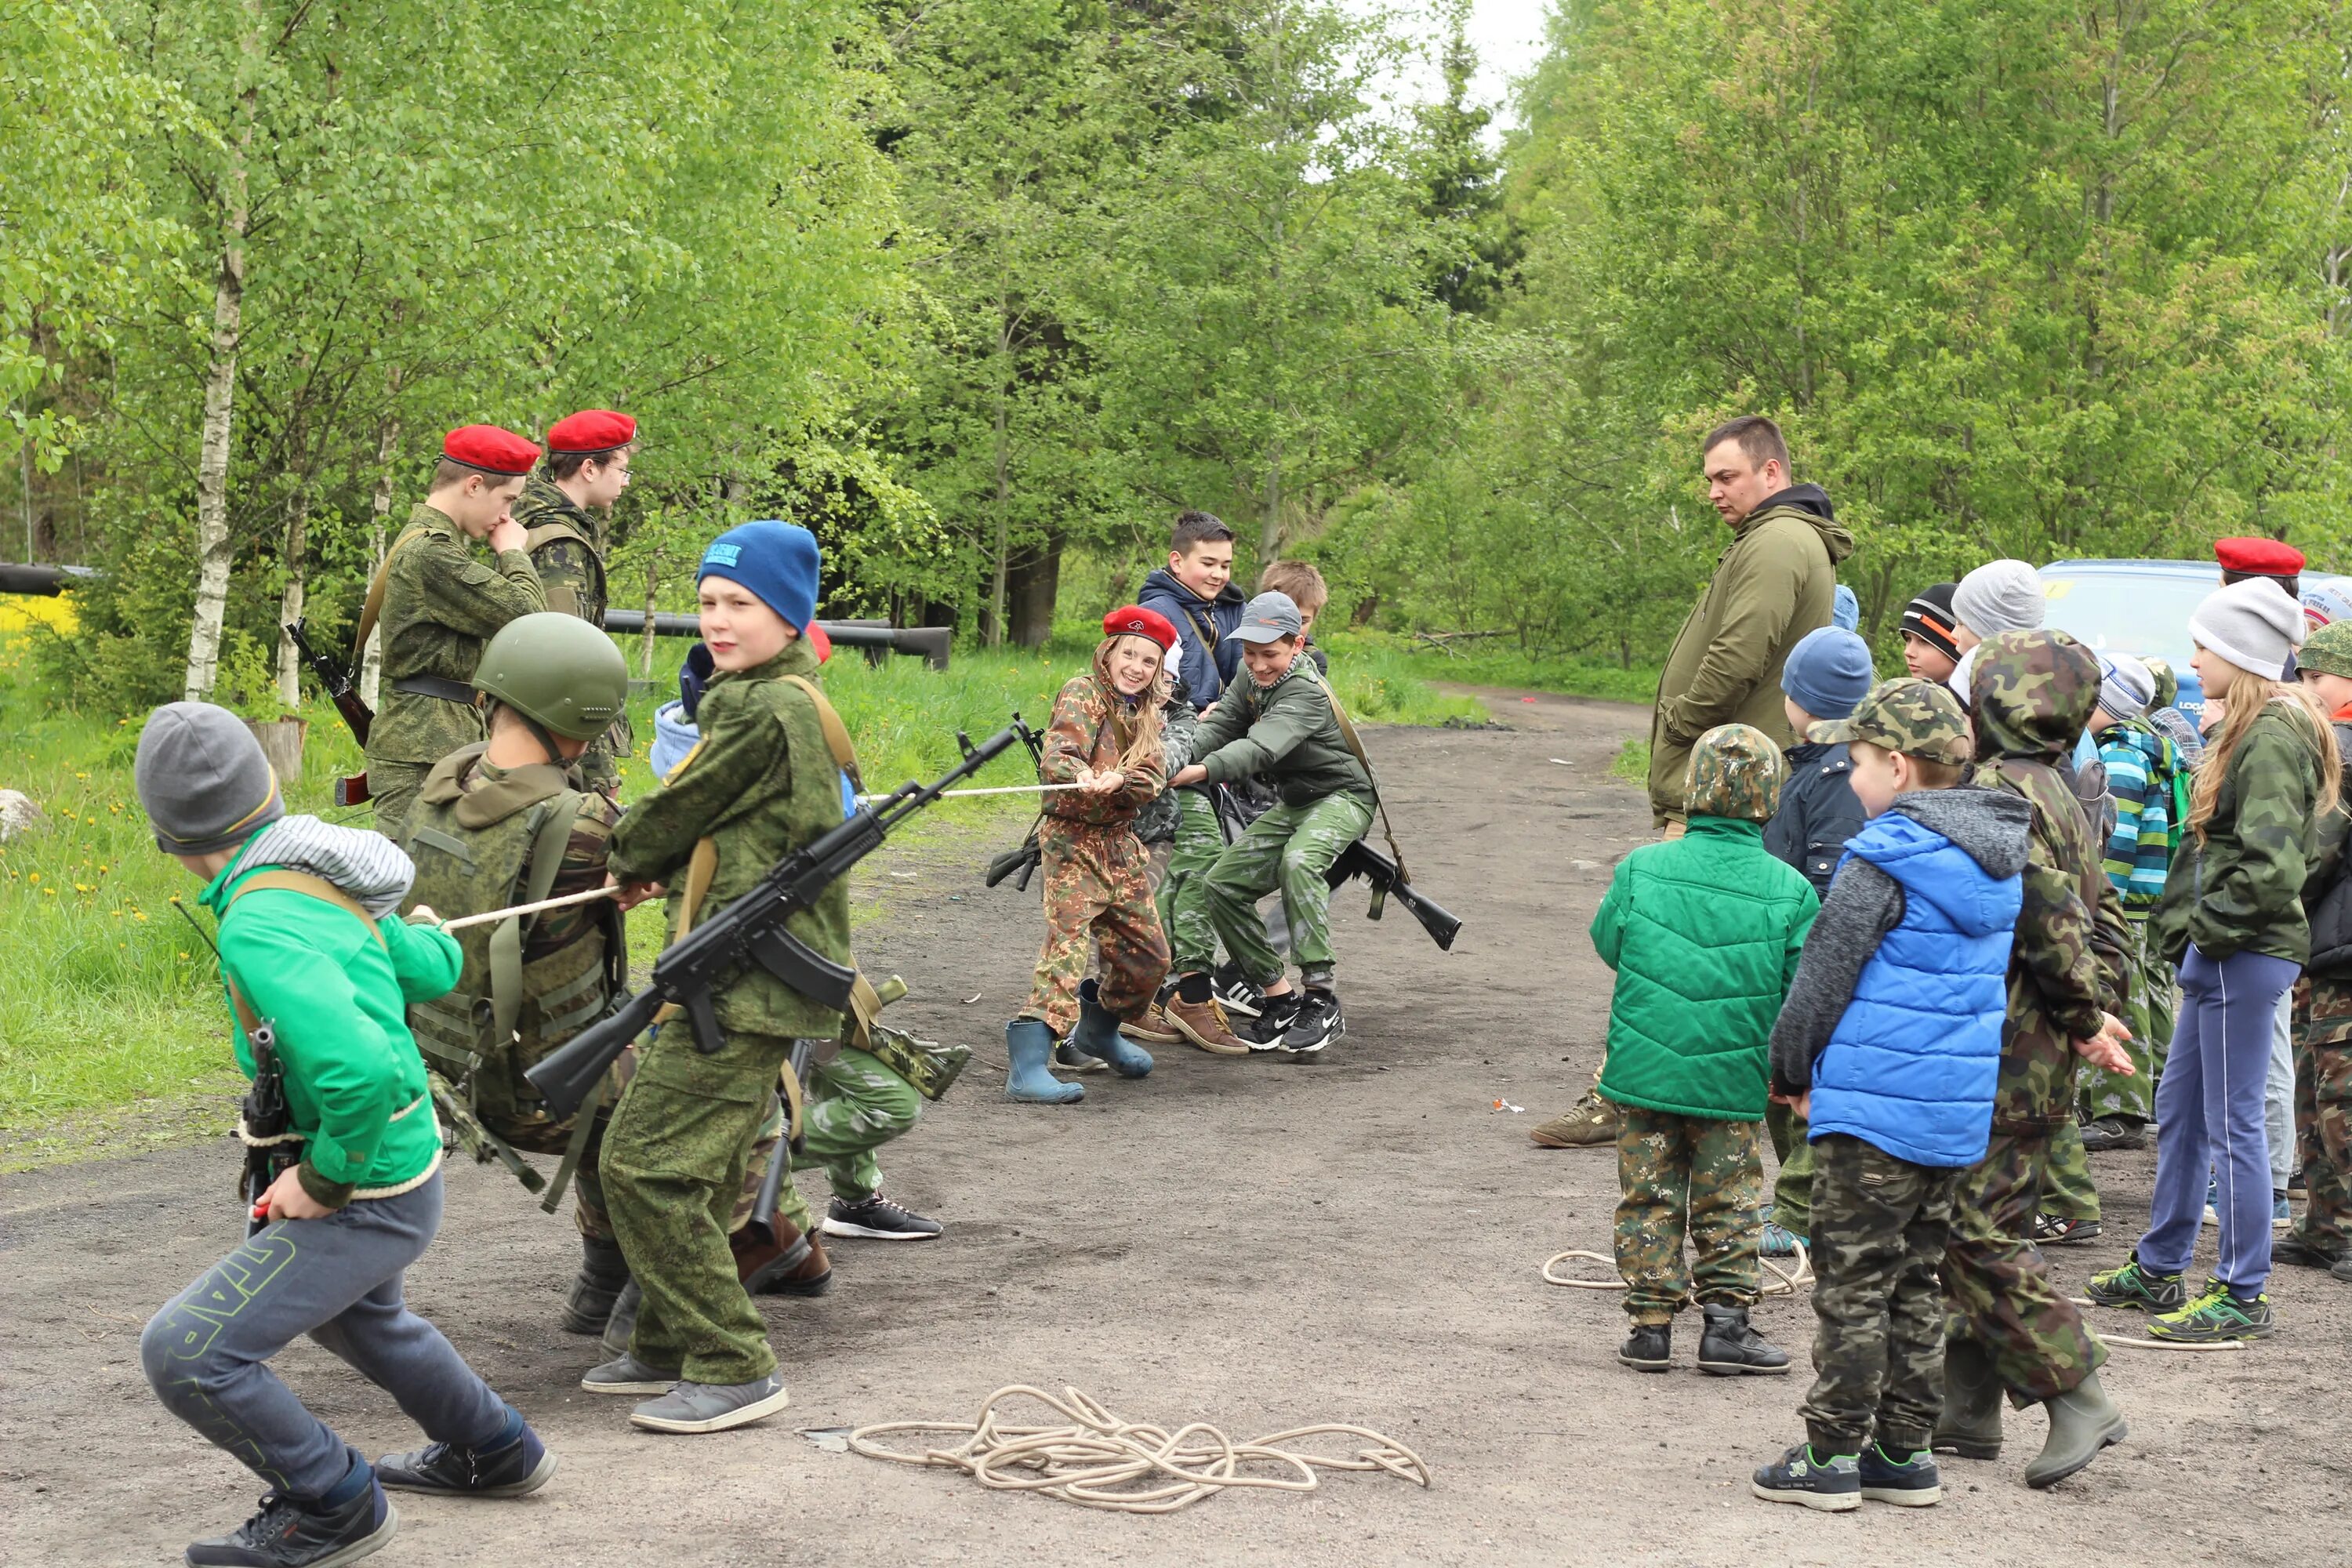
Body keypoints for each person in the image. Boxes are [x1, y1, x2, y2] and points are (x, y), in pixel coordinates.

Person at [134, 702, 554, 1567]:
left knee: (187, 1351)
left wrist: (320, 1182)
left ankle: (332, 1502)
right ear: (268, 790)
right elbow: (433, 968)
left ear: (167, 833)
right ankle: (497, 1448)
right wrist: (420, 934)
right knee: (360, 1318)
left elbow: (360, 1072)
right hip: (407, 1162)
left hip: (365, 1184)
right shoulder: (318, 875)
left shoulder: (259, 919)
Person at [585, 520, 860, 1434]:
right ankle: (663, 1341)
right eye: (707, 601)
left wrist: (632, 853)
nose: (719, 620)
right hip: (758, 974)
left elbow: (671, 810)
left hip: (740, 982)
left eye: (741, 603)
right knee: (693, 1167)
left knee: (639, 1166)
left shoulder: (751, 707)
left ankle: (733, 1359)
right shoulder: (798, 697)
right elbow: (750, 820)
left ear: (788, 614)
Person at [1749, 679, 2030, 1512]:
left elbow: (1821, 980)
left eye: (1860, 762)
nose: (1851, 777)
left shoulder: (1883, 857)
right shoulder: (1996, 860)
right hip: (1950, 1109)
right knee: (1918, 1278)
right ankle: (1904, 1450)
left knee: (1851, 1281)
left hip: (1872, 1108)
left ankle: (1830, 1454)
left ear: (1899, 766)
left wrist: (1791, 1071)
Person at [2091, 580, 2336, 1342]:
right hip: (2222, 953)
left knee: (2233, 1127)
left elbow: (2271, 866)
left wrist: (2205, 930)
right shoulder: (2252, 729)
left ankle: (2241, 1291)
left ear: (2239, 652)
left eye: (2203, 645)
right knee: (2180, 1112)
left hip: (2239, 953)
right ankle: (2160, 1266)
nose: (2193, 660)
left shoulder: (2269, 737)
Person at [1935, 629, 2136, 1489]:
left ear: (1987, 701)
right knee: (1995, 1221)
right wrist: (2102, 1004)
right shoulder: (2061, 788)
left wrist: (2087, 1011)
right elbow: (2107, 912)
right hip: (2038, 1050)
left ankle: (2078, 1389)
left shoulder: (1992, 792)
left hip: (2000, 1048)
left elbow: (2046, 913)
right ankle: (1966, 1407)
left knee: (1966, 1229)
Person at [1592, 723, 1814, 1377]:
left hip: (1645, 1070)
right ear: (1771, 797)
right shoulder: (1790, 888)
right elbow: (1798, 988)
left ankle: (1650, 1328)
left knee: (1648, 1195)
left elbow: (1610, 943)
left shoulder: (1640, 867)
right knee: (1731, 1198)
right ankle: (1726, 1327)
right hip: (1732, 1079)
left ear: (1692, 790)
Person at [1164, 591, 1376, 1056]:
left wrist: (1198, 771)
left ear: (1297, 645)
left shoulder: (1304, 690)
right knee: (1219, 884)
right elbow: (1220, 728)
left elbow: (1259, 748)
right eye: (1251, 653)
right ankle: (1280, 1000)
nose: (1258, 665)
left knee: (1299, 862)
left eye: (1271, 654)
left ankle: (1321, 998)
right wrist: (1167, 757)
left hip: (1343, 797)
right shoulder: (1249, 675)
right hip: (1298, 801)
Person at [1646, 416, 1853, 833]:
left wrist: (1680, 724)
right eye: (1710, 480)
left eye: (1727, 477)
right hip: (1731, 782)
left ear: (1771, 471)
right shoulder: (1772, 536)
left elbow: (1737, 658)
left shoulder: (1777, 541)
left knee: (1680, 898)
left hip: (1728, 790)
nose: (1714, 493)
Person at [1003, 605, 1174, 1103]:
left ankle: (1099, 1030)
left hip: (1120, 844)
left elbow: (1153, 773)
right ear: (1109, 652)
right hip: (1072, 840)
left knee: (1149, 956)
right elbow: (1059, 752)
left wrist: (1121, 778)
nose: (1137, 667)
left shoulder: (1146, 712)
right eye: (1129, 654)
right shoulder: (1084, 691)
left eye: (1149, 660)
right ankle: (1029, 1062)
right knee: (1068, 945)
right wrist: (1080, 774)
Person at [358, 425, 548, 840]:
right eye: (507, 500)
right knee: (405, 885)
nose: (506, 517)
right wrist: (513, 551)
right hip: (424, 747)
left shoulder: (433, 545)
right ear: (475, 485)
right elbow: (531, 616)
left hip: (437, 738)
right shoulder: (431, 554)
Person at [1758, 625, 1875, 1258]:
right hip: (1799, 952)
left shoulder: (1834, 775)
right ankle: (1793, 1197)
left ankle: (1803, 1211)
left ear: (1798, 699)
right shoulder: (1817, 764)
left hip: (1817, 957)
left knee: (1811, 1083)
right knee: (1782, 1080)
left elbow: (1828, 878)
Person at [2077, 655, 2182, 1153]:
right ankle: (2156, 1087)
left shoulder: (2118, 755)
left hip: (2122, 897)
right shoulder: (2145, 749)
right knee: (2149, 994)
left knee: (2120, 997)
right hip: (2149, 895)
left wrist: (2099, 899)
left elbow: (2113, 838)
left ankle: (2120, 1108)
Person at [510, 408, 636, 794]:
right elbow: (569, 666)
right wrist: (600, 775)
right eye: (622, 469)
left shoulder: (540, 522)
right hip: (552, 745)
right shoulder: (559, 544)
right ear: (589, 469)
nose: (626, 482)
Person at [2281, 618, 2352, 1279]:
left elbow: (2316, 853)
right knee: (2315, 1087)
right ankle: (2324, 1226)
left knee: (2339, 1094)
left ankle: (2340, 1225)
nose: (2306, 689)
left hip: (2339, 951)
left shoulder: (2342, 747)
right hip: (2325, 949)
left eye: (2317, 677)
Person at [1139, 510, 1247, 711]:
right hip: (1179, 725)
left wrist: (1226, 710)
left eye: (1225, 566)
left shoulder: (1237, 608)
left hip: (1233, 718)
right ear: (1177, 562)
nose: (1218, 574)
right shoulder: (1153, 614)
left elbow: (1251, 674)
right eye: (1208, 563)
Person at [1943, 559, 2044, 703]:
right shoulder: (2060, 694)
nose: (1953, 634)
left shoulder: (1971, 693)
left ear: (1990, 632)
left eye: (1961, 623)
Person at [1898, 583, 1962, 686]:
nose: (1908, 652)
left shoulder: (1976, 700)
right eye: (1908, 639)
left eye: (1923, 641)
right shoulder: (1904, 698)